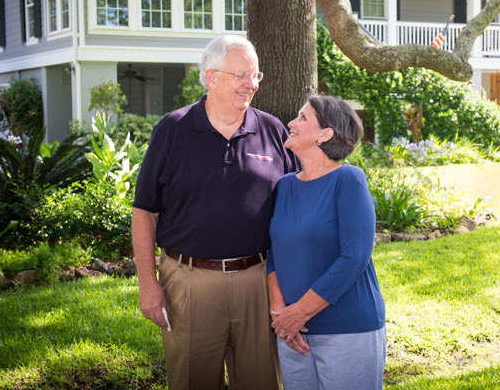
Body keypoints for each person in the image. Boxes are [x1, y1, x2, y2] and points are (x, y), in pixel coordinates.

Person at [131, 35, 298, 390]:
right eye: (240, 75)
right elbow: (144, 212)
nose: (250, 85)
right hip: (189, 281)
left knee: (261, 382)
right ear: (211, 77)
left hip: (257, 279)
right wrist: (148, 283)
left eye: (255, 76)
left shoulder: (272, 130)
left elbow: (296, 206)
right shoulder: (173, 130)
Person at [267, 95, 386, 390]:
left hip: (347, 329)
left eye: (303, 118)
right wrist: (280, 313)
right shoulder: (285, 185)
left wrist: (298, 313)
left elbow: (354, 257)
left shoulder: (349, 180)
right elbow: (273, 254)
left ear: (325, 134)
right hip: (292, 334)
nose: (291, 123)